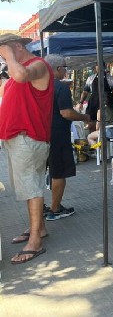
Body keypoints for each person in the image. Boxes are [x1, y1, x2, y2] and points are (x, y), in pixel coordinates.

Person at [0, 33, 53, 264]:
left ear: (17, 47)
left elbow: (22, 76)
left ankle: (35, 242)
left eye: (4, 51)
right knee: (27, 187)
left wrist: (8, 55)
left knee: (31, 188)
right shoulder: (16, 72)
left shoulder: (38, 65)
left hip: (28, 138)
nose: (2, 56)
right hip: (17, 139)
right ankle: (38, 228)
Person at [44, 54, 91, 220]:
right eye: (65, 67)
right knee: (59, 173)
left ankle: (40, 207)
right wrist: (84, 117)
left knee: (39, 174)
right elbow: (66, 113)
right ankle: (55, 209)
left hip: (39, 135)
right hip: (57, 135)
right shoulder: (60, 87)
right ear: (58, 69)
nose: (66, 71)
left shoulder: (36, 85)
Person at [77, 64, 113, 131]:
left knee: (105, 122)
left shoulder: (110, 78)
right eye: (97, 66)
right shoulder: (91, 78)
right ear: (95, 68)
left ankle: (102, 135)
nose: (99, 68)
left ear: (104, 67)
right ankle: (93, 134)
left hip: (106, 103)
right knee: (90, 121)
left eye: (100, 66)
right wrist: (81, 102)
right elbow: (85, 92)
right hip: (93, 102)